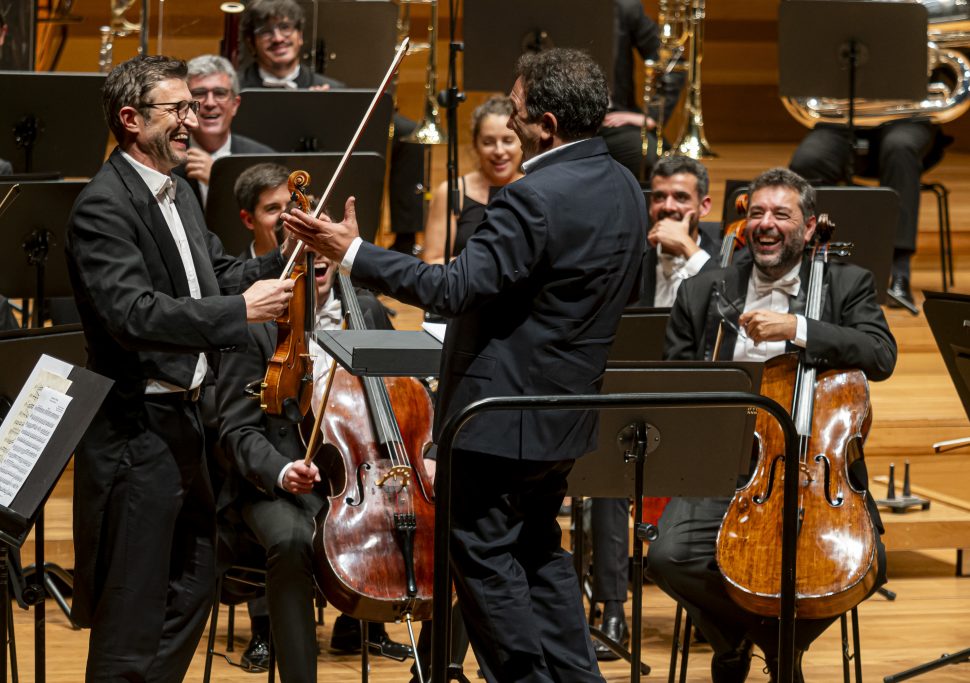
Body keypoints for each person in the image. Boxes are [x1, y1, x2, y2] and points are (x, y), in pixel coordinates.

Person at [282, 47, 646, 683]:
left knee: (481, 556)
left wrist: (353, 252)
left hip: (498, 420)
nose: (512, 114)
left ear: (548, 124)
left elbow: (453, 289)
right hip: (564, 417)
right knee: (537, 548)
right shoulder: (623, 186)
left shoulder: (533, 197)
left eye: (519, 107)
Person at [65, 54, 295, 682]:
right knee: (131, 616)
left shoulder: (180, 193)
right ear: (132, 118)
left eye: (194, 106)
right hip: (137, 433)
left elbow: (215, 274)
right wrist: (238, 312)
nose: (192, 119)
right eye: (179, 108)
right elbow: (132, 314)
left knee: (193, 587)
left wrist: (290, 253)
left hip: (187, 427)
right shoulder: (103, 206)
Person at [648, 167, 897, 682]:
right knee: (670, 558)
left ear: (808, 229)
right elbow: (677, 381)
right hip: (726, 464)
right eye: (757, 212)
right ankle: (757, 644)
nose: (766, 224)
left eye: (781, 214)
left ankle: (760, 647)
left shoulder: (847, 283)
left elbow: (880, 353)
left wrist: (800, 328)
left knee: (867, 567)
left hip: (815, 466)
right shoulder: (703, 292)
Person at [216, 162, 409, 679]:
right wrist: (282, 471)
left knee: (443, 527)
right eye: (299, 239)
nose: (313, 252)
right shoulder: (256, 321)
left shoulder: (365, 310)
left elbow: (407, 398)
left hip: (362, 479)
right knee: (293, 540)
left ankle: (428, 664)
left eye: (318, 236)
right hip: (277, 484)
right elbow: (235, 429)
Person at [589, 154, 720, 660]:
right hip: (633, 398)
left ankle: (710, 606)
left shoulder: (724, 262)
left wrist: (690, 256)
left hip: (699, 406)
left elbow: (725, 324)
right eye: (660, 196)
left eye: (680, 198)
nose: (667, 206)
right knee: (604, 477)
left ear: (702, 206)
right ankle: (613, 610)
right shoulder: (628, 256)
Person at [239, 0, 424, 254]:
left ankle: (403, 242)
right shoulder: (237, 91)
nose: (278, 38)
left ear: (300, 36)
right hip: (264, 198)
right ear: (251, 42)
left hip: (321, 187)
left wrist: (325, 114)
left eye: (285, 28)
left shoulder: (333, 90)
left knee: (406, 132)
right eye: (266, 31)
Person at [789, 118, 943, 310]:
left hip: (907, 119)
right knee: (808, 159)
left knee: (900, 148)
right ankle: (812, 266)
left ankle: (899, 272)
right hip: (841, 122)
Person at [422, 95, 523, 264]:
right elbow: (432, 261)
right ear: (475, 145)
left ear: (521, 142)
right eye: (488, 142)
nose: (499, 151)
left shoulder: (536, 187)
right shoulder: (451, 191)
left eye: (508, 140)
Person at [172, 54, 274, 208]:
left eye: (220, 93)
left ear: (235, 105)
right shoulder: (166, 158)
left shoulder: (264, 160)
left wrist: (219, 182)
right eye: (199, 93)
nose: (210, 103)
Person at [598, 0, 683, 180]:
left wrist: (651, 115)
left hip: (609, 120)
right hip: (554, 122)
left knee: (649, 158)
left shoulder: (624, 8)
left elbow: (673, 64)